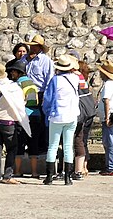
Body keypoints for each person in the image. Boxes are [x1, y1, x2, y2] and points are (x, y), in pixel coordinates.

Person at [41, 54, 80, 185]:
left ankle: (49, 177)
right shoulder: (75, 78)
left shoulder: (55, 80)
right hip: (72, 115)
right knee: (68, 146)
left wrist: (46, 112)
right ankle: (68, 178)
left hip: (57, 115)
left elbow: (48, 99)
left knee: (52, 146)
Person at [12, 58, 45, 178]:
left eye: (13, 72)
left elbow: (17, 101)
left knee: (19, 144)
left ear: (18, 72)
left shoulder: (17, 84)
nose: (12, 74)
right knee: (34, 144)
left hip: (23, 117)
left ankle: (17, 171)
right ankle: (34, 172)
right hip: (35, 115)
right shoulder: (31, 83)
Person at [97, 59, 113, 176]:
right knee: (110, 140)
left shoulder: (108, 84)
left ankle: (112, 166)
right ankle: (110, 165)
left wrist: (107, 118)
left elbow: (107, 101)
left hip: (110, 115)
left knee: (109, 141)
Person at [72, 59, 96, 180]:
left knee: (78, 139)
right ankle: (84, 166)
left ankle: (79, 168)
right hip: (89, 111)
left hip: (80, 113)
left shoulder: (75, 77)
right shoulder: (83, 79)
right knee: (84, 139)